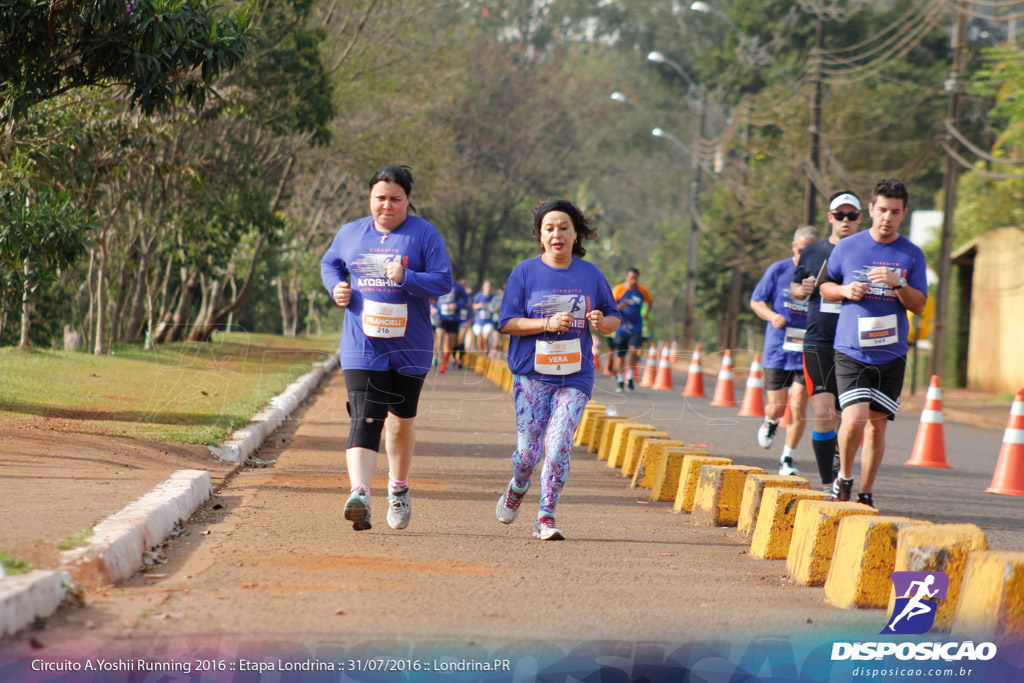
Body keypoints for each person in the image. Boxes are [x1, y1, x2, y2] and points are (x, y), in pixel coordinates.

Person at [320, 164, 453, 531]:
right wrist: (337, 288)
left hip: (410, 346)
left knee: (400, 423)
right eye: (380, 198)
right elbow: (329, 264)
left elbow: (443, 281)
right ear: (370, 199)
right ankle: (360, 492)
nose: (387, 206)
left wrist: (407, 278)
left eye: (396, 199)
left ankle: (398, 487)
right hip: (363, 344)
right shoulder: (350, 234)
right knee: (365, 415)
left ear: (408, 201)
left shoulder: (424, 235)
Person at [495, 199, 621, 540]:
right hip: (531, 374)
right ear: (540, 235)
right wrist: (546, 323)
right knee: (527, 454)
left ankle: (546, 516)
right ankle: (519, 484)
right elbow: (506, 322)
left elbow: (613, 319)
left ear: (575, 233)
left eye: (564, 227)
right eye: (549, 228)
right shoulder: (525, 272)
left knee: (559, 443)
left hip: (575, 375)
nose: (557, 234)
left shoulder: (591, 274)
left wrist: (601, 321)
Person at [819, 178, 927, 506]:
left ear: (903, 214)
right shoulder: (848, 248)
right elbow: (824, 286)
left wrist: (898, 284)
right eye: (882, 210)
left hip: (891, 352)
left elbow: (919, 304)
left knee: (877, 429)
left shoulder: (911, 254)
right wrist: (843, 291)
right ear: (871, 210)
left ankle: (865, 492)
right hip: (852, 349)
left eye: (895, 212)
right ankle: (845, 477)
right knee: (853, 419)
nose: (887, 217)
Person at [791, 191, 870, 493]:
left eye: (852, 216)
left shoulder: (867, 251)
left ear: (861, 218)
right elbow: (796, 287)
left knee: (849, 418)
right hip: (819, 341)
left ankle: (842, 470)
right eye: (840, 215)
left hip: (855, 343)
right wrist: (804, 288)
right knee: (824, 414)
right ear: (830, 218)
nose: (846, 221)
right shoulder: (813, 251)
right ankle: (829, 484)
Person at [750, 226, 819, 475]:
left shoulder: (824, 274)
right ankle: (771, 421)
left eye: (811, 250)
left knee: (799, 404)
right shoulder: (778, 269)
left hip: (808, 349)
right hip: (778, 349)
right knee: (777, 407)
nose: (806, 255)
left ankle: (787, 458)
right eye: (802, 250)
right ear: (793, 247)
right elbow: (756, 300)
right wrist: (772, 316)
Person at [611, 268, 653, 392]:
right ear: (626, 277)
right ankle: (620, 379)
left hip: (636, 326)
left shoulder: (642, 290)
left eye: (636, 278)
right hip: (621, 326)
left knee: (634, 352)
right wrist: (619, 307)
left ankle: (629, 377)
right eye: (631, 278)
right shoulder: (618, 290)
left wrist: (646, 313)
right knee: (621, 354)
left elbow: (650, 301)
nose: (633, 280)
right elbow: (609, 306)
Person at [435, 278, 468, 372]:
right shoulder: (439, 283)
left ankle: (447, 354)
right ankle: (442, 364)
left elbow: (466, 300)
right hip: (441, 317)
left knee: (451, 342)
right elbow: (432, 298)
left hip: (453, 318)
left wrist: (457, 305)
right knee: (439, 338)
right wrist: (433, 307)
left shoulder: (458, 287)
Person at [471, 279, 498, 355]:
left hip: (488, 321)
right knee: (479, 337)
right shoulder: (478, 296)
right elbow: (473, 305)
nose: (488, 288)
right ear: (483, 287)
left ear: (491, 287)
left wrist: (493, 308)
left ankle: (486, 351)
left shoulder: (494, 297)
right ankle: (481, 351)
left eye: (489, 286)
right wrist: (478, 306)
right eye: (486, 286)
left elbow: (497, 307)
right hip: (478, 321)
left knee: (485, 336)